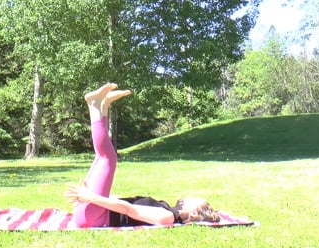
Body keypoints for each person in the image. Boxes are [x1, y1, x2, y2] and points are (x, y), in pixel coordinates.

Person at [64, 83, 220, 228]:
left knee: (108, 158)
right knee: (101, 157)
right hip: (93, 209)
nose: (185, 198)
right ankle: (100, 106)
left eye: (191, 201)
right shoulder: (165, 208)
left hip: (94, 217)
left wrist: (89, 197)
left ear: (194, 213)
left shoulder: (168, 217)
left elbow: (129, 210)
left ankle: (96, 105)